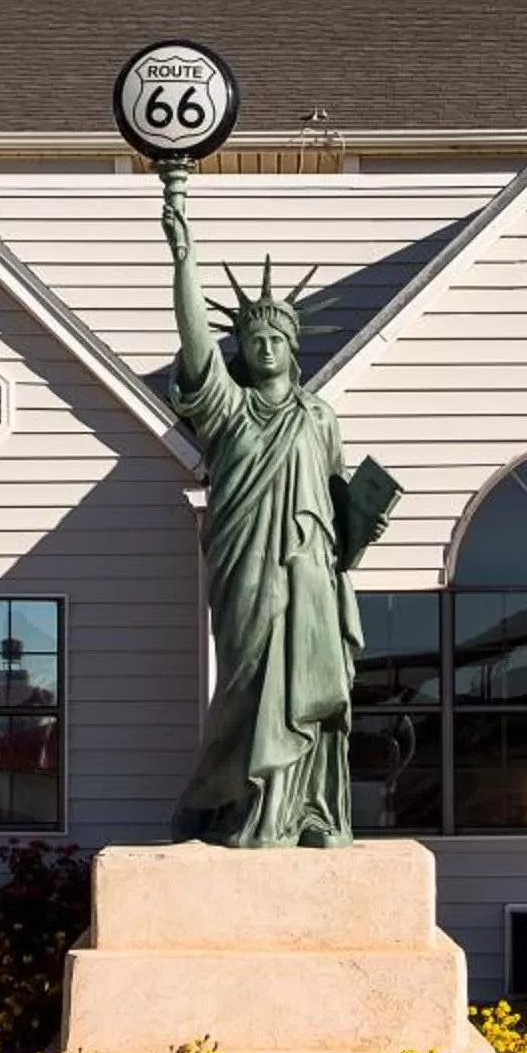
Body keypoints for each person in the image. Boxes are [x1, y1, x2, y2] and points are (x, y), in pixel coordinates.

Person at [160, 159, 361, 847]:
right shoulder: (227, 410)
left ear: (294, 347)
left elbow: (337, 500)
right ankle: (229, 804)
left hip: (310, 569)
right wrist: (183, 258)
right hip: (245, 564)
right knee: (245, 687)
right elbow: (194, 345)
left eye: (277, 337)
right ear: (241, 350)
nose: (266, 345)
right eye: (254, 339)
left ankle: (298, 812)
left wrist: (362, 523)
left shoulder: (320, 416)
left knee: (306, 684)